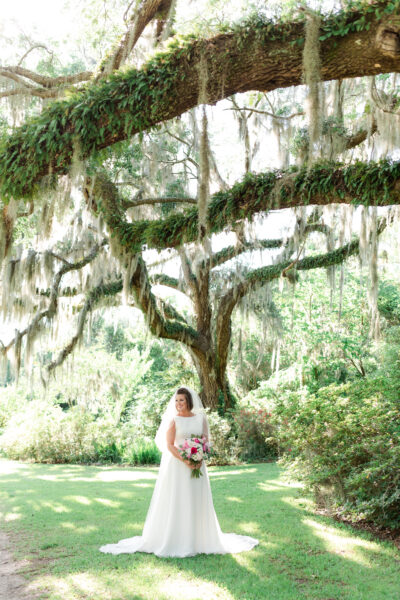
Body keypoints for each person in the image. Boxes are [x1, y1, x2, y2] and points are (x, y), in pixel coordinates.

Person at [99, 386, 259, 557]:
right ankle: (178, 538)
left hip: (198, 465)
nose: (178, 403)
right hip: (177, 465)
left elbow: (205, 440)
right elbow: (169, 445)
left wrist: (199, 457)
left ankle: (199, 538)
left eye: (181, 400)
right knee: (179, 498)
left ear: (189, 401)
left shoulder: (200, 418)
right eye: (176, 400)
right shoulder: (174, 420)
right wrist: (186, 459)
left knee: (196, 498)